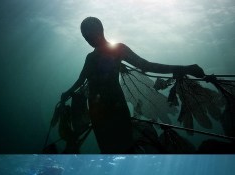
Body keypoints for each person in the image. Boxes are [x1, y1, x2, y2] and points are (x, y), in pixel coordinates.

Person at [60, 17, 205, 153]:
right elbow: (81, 80)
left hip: (115, 105)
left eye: (88, 35)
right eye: (84, 37)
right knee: (108, 150)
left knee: (124, 147)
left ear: (99, 30)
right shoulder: (90, 57)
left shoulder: (118, 49)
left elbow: (146, 66)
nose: (87, 39)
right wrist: (68, 92)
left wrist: (185, 68)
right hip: (96, 110)